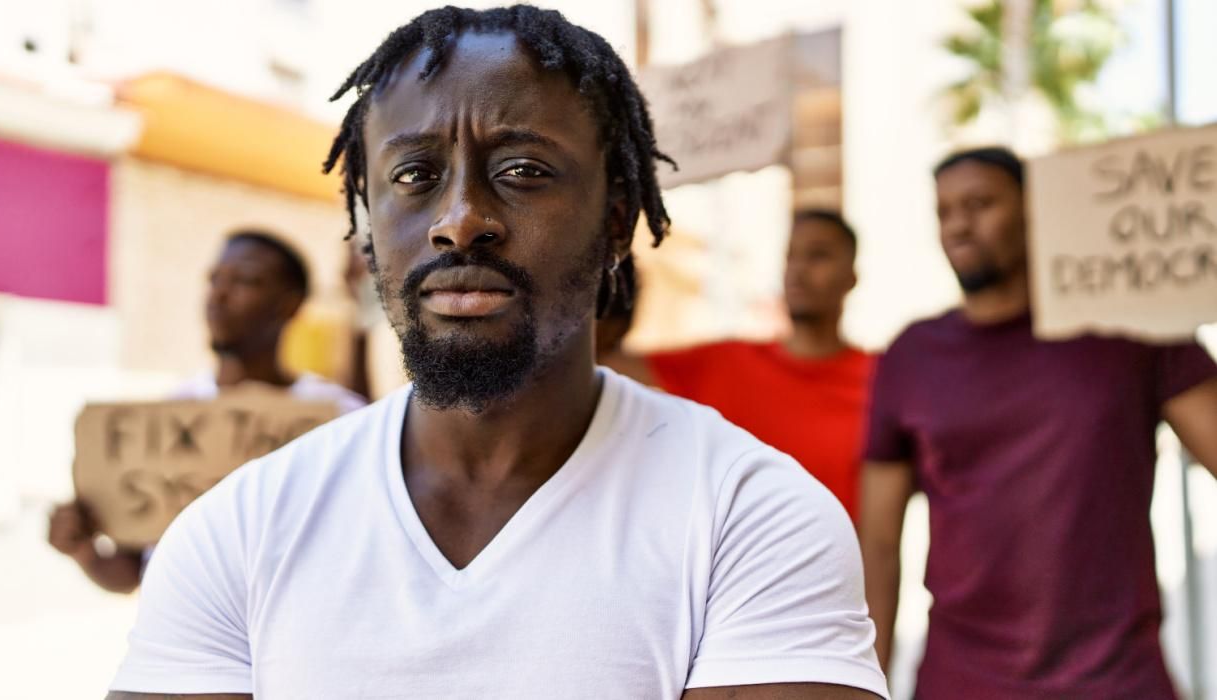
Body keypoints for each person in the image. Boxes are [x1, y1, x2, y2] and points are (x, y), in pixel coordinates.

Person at [105, 7, 887, 699]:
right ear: (368, 227)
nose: (460, 219)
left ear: (616, 220)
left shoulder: (749, 520)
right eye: (414, 174)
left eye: (522, 171)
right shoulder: (238, 532)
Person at [859, 147, 1217, 699]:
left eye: (980, 204)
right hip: (962, 683)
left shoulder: (1130, 330)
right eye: (945, 211)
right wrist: (867, 684)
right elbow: (879, 544)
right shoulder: (911, 356)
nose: (959, 225)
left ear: (1036, 212)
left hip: (1117, 681)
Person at [47, 230, 365, 594]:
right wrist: (83, 549)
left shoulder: (338, 417)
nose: (218, 294)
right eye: (215, 280)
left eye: (244, 280)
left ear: (288, 304)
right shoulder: (167, 418)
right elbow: (130, 572)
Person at [604, 210, 874, 520]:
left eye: (818, 256)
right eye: (791, 256)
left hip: (842, 565)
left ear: (852, 277)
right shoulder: (725, 362)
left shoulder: (882, 379)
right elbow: (607, 358)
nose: (798, 270)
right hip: (734, 564)